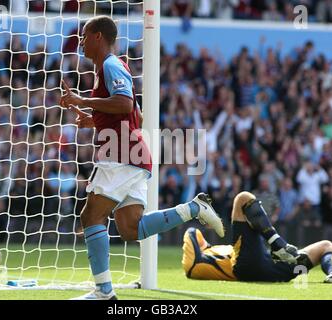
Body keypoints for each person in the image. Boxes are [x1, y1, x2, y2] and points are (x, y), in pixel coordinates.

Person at [59, 16, 224, 300]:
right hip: (133, 154)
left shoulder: (110, 64)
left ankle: (103, 292)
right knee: (130, 228)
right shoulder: (108, 68)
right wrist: (95, 119)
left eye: (85, 36)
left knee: (91, 216)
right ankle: (193, 210)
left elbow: (124, 104)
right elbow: (134, 113)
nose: (82, 41)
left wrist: (83, 101)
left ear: (98, 36)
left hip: (119, 154)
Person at [182, 191, 332, 284]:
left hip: (271, 268)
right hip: (246, 267)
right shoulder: (199, 261)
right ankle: (279, 245)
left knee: (326, 246)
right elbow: (191, 232)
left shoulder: (213, 254)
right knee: (243, 198)